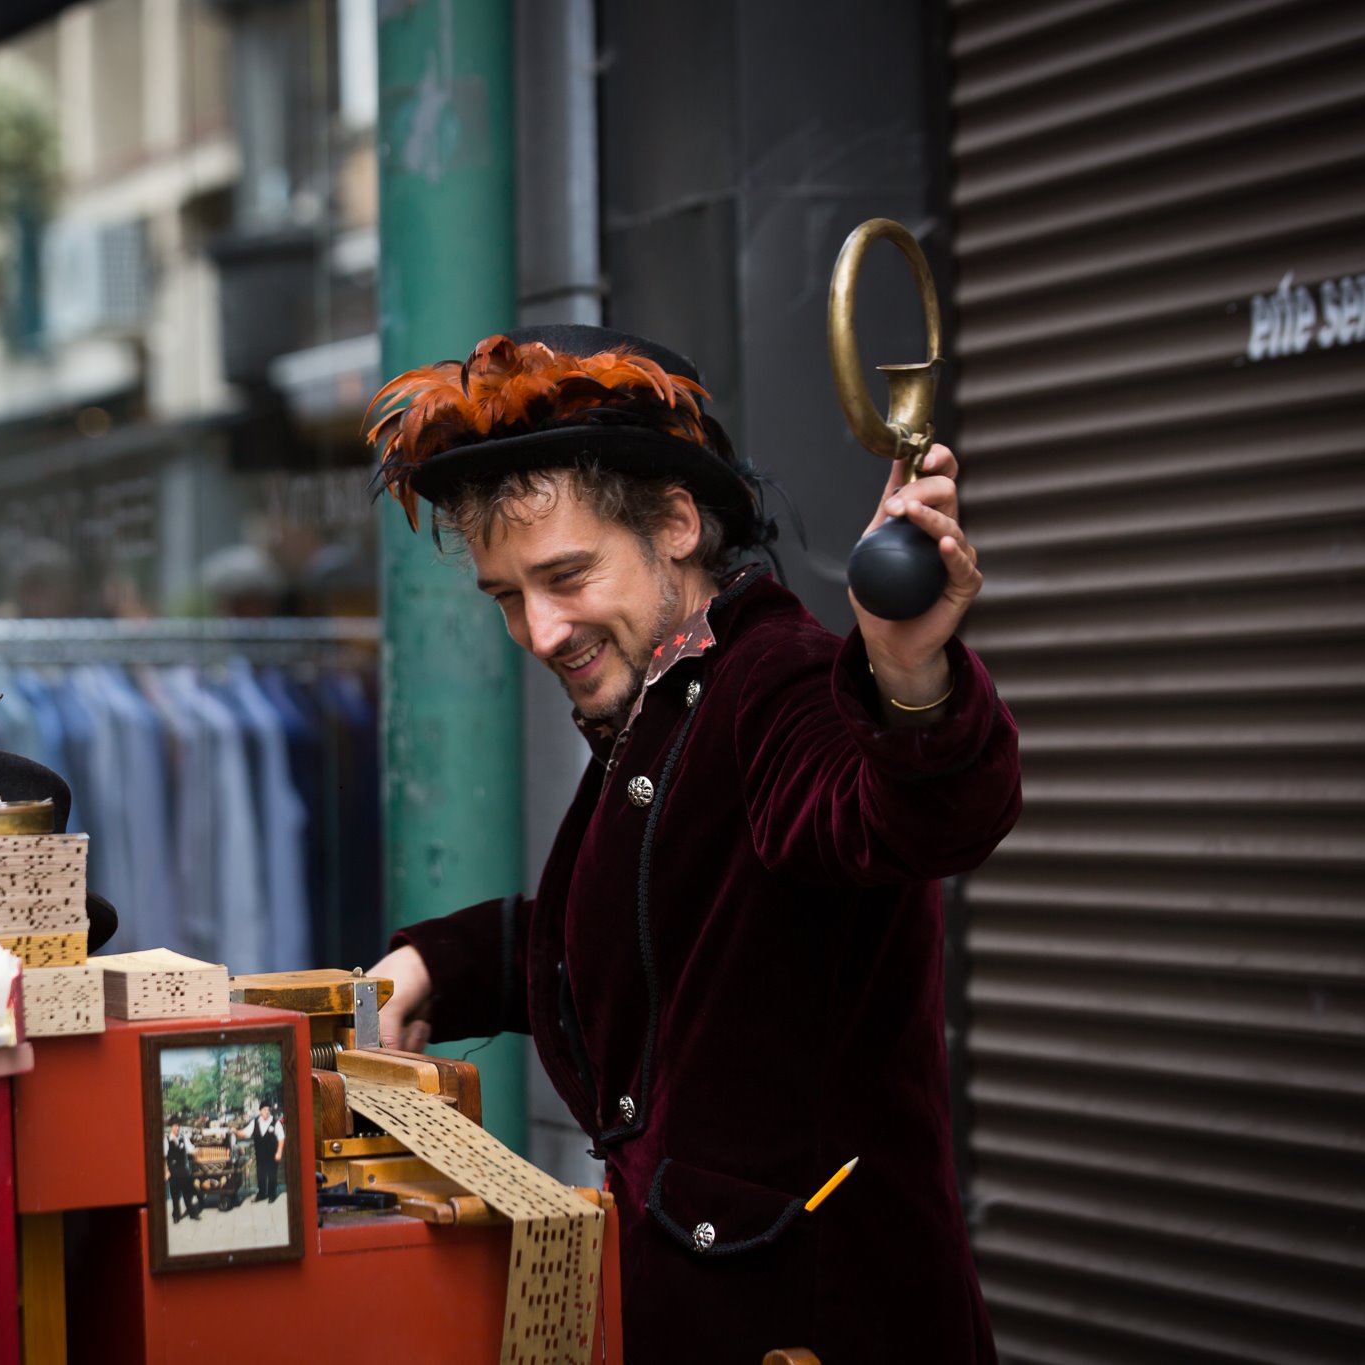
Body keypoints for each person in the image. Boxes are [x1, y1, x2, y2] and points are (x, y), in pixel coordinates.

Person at [365, 325, 1020, 1363]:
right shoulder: (669, 689)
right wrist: (437, 965)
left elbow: (912, 817)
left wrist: (906, 682)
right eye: (506, 599)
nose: (539, 631)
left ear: (674, 521)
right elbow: (641, 918)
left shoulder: (779, 682)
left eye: (565, 576)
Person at [237, 1099, 285, 1204]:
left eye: (268, 1110)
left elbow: (281, 1138)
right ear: (260, 1111)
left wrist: (279, 1152)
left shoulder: (275, 1122)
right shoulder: (254, 1122)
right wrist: (235, 1131)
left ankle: (272, 1195)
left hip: (273, 1154)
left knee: (272, 1175)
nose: (267, 1112)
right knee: (261, 1175)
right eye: (264, 1110)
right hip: (260, 1155)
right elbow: (245, 1133)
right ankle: (261, 1194)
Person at [164, 1117, 203, 1223]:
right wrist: (166, 1172)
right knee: (175, 1197)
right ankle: (176, 1215)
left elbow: (191, 1149)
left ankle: (192, 1213)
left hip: (183, 1171)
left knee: (188, 1194)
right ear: (171, 1127)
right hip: (173, 1172)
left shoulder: (183, 1138)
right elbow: (163, 1157)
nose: (177, 1128)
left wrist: (197, 1151)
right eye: (175, 1126)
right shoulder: (166, 1140)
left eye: (178, 1126)